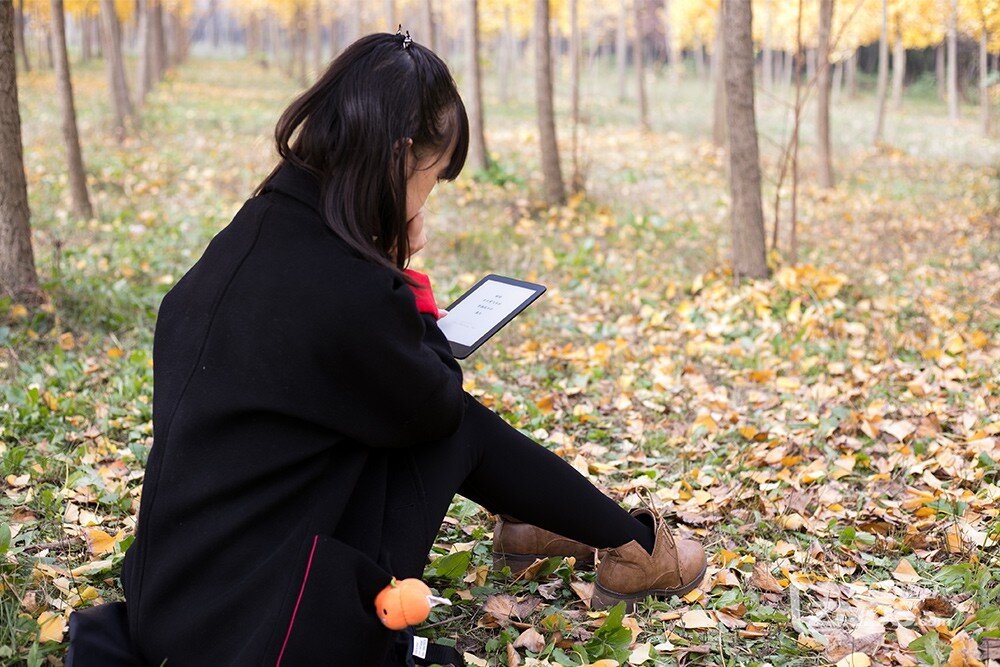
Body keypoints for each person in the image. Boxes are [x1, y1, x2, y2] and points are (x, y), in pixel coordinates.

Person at [112, 31, 706, 666]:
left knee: (428, 414)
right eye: (435, 173)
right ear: (400, 157)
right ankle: (635, 546)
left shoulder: (257, 228)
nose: (431, 194)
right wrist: (403, 275)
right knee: (456, 426)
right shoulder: (349, 286)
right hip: (258, 623)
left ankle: (563, 531)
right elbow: (437, 403)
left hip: (175, 588)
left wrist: (389, 281)